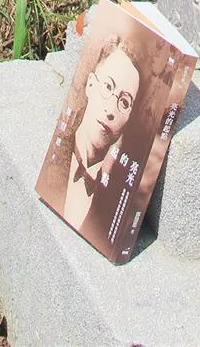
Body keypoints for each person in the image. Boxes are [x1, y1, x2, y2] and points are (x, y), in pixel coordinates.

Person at [39, 33, 143, 244]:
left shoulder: (115, 199)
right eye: (108, 87)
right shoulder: (55, 156)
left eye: (124, 103)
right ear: (90, 85)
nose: (110, 110)